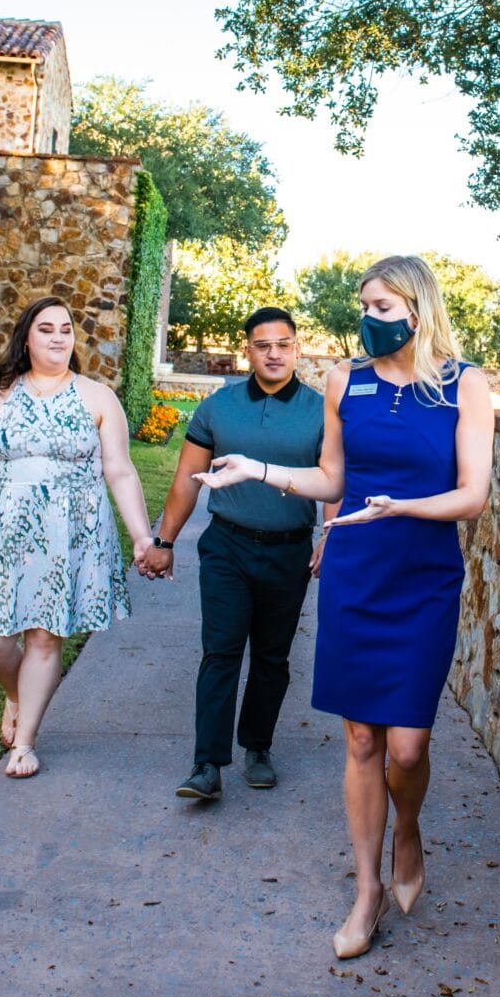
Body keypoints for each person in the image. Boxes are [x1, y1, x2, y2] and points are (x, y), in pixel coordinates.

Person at [192, 255, 492, 960]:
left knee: (408, 746)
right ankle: (367, 890)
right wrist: (258, 468)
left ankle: (408, 830)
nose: (370, 319)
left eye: (383, 307)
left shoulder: (463, 384)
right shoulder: (344, 381)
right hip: (356, 571)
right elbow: (333, 477)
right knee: (362, 740)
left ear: (418, 310)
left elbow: (473, 492)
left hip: (422, 576)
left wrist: (404, 506)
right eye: (365, 305)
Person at [0, 295, 156, 779]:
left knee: (45, 635)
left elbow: (120, 472)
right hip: (4, 531)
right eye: (47, 329)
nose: (59, 337)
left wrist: (143, 539)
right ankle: (18, 693)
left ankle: (24, 744)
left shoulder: (97, 396)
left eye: (66, 329)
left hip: (72, 533)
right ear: (27, 336)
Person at [148, 307, 326, 802]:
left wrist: (329, 534)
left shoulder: (319, 411)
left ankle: (258, 747)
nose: (274, 353)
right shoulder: (218, 407)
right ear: (247, 349)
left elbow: (333, 480)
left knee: (272, 656)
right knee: (221, 651)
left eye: (283, 344)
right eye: (263, 344)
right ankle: (207, 764)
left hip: (288, 551)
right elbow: (187, 479)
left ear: (297, 348)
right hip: (226, 545)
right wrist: (164, 542)